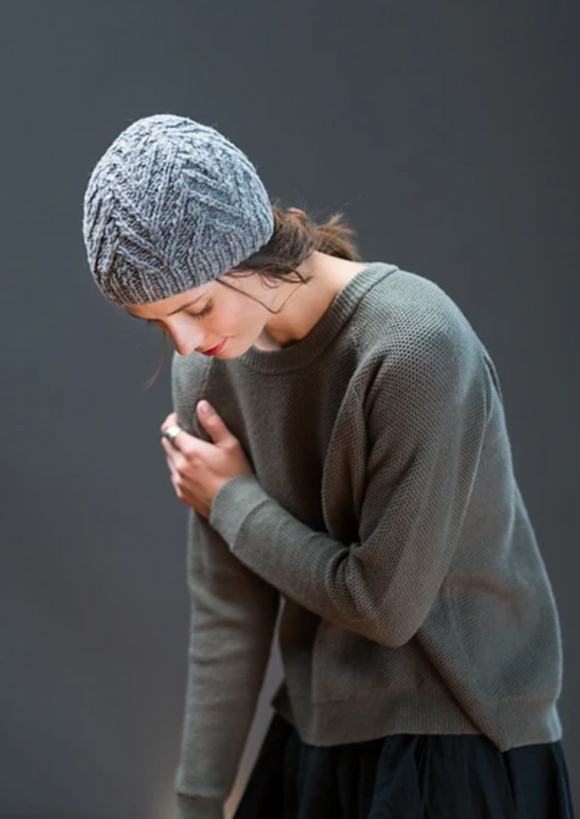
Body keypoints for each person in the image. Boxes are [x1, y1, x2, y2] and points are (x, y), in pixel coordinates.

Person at [82, 113, 575, 819]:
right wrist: (197, 800)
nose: (184, 344)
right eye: (158, 325)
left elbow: (386, 605)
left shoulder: (414, 346)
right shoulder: (207, 371)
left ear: (249, 245)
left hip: (460, 741)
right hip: (314, 736)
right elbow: (229, 610)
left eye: (195, 306)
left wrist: (233, 502)